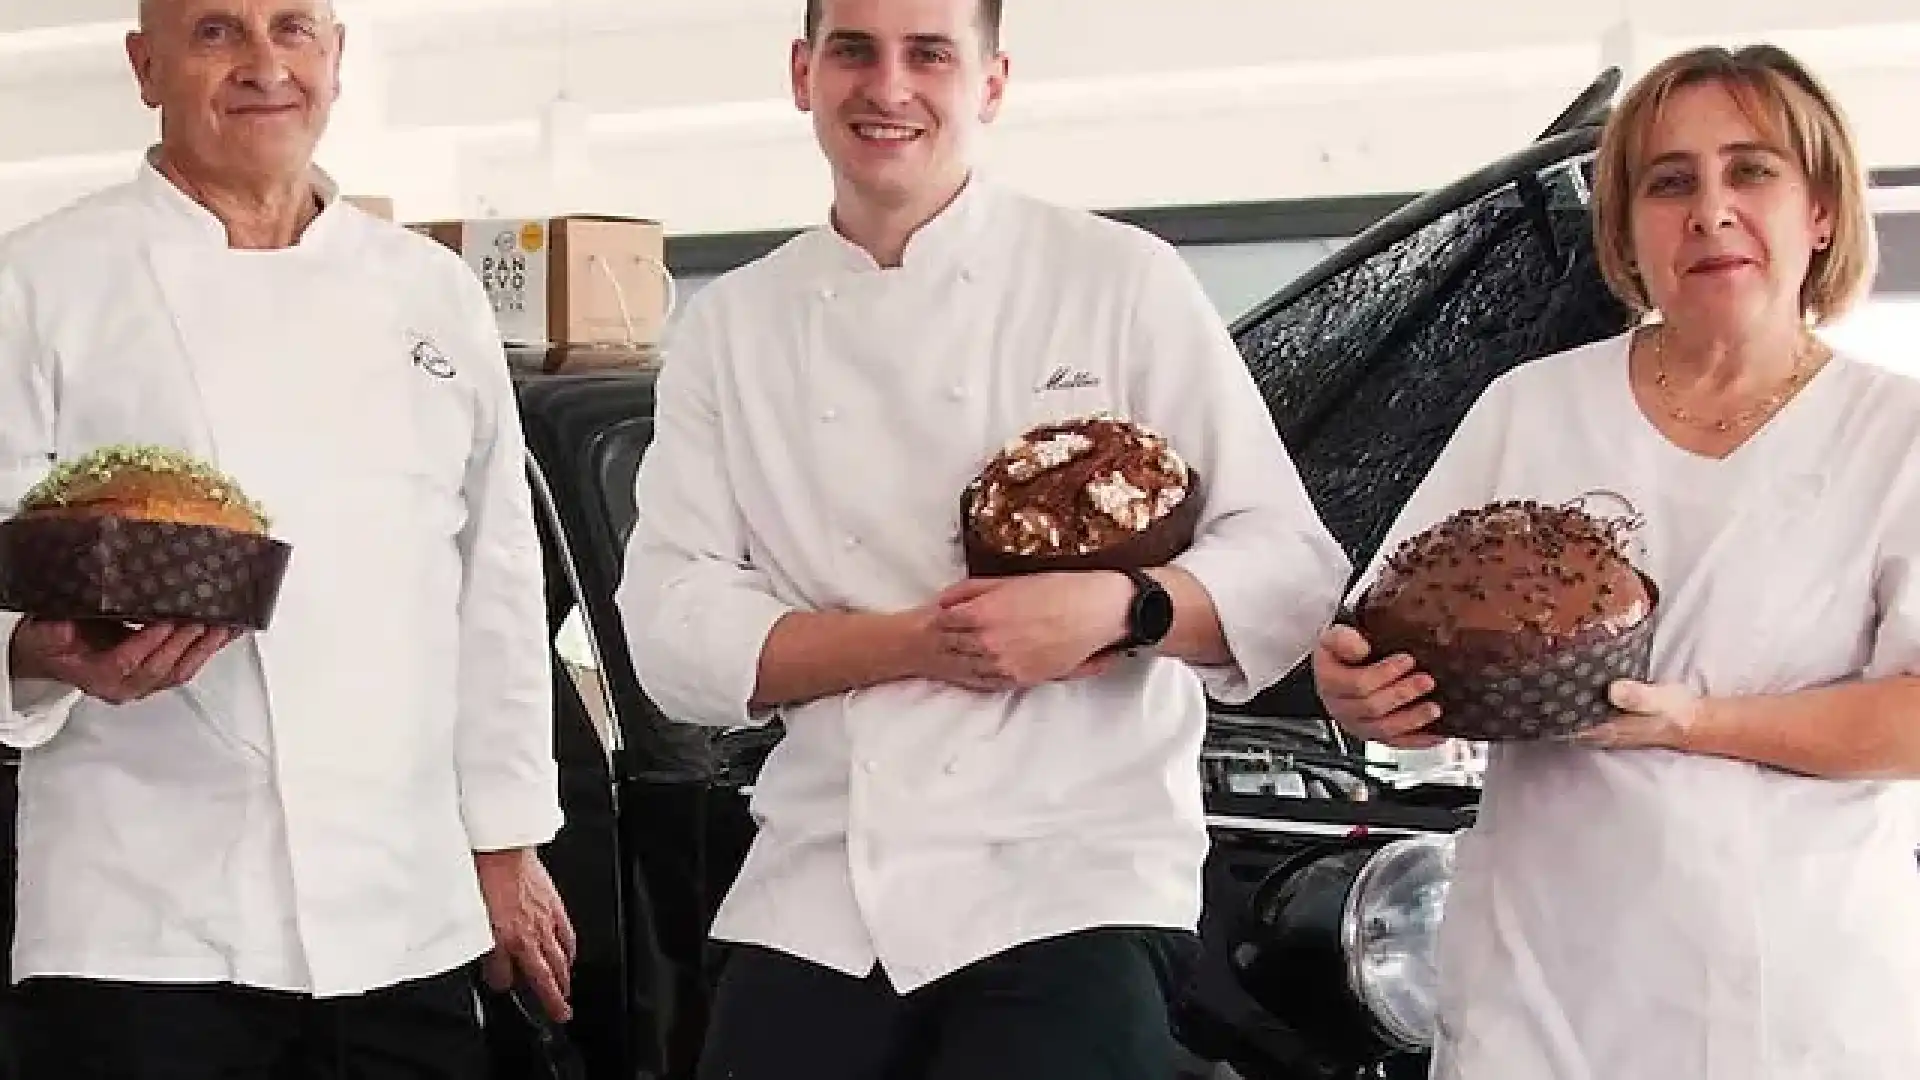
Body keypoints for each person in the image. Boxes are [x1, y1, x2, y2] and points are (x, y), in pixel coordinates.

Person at [613, 0, 1350, 1076]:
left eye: (930, 55)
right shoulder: (735, 327)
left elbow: (1289, 566)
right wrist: (917, 642)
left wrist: (1125, 607)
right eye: (854, 50)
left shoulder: (1118, 279)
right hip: (822, 883)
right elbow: (673, 632)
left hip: (1072, 884)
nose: (889, 87)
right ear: (801, 71)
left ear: (992, 82)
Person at [1314, 43, 1920, 1079]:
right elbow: (1388, 626)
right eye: (1669, 181)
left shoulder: (1894, 433)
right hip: (1542, 984)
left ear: (1820, 210)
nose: (1711, 209)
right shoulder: (1533, 409)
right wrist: (1358, 689)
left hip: (1795, 995)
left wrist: (1696, 723)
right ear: (1629, 227)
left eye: (1753, 170)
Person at [0, 1, 575, 1075]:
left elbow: (492, 591)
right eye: (217, 31)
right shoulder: (37, 283)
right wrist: (34, 657)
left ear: (337, 59)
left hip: (406, 916)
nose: (264, 63)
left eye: (293, 28)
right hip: (142, 933)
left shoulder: (431, 293)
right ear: (145, 64)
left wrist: (504, 842)